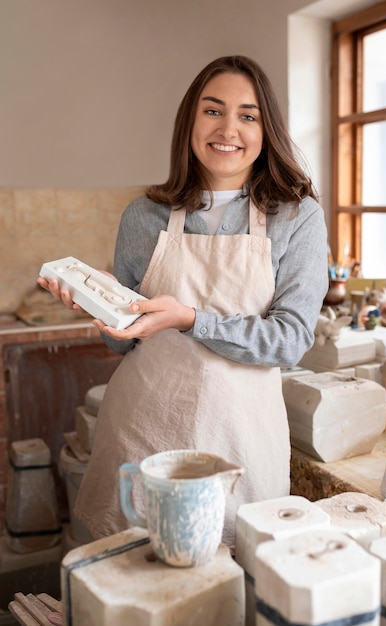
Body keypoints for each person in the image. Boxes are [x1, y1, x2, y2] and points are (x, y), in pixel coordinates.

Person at [37, 55, 328, 549]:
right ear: (190, 121)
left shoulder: (295, 217)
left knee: (228, 584)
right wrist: (104, 308)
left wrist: (191, 320)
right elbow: (125, 347)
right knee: (133, 588)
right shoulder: (144, 215)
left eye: (248, 115)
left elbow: (290, 341)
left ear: (266, 129)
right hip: (144, 428)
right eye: (213, 111)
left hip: (240, 441)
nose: (228, 128)